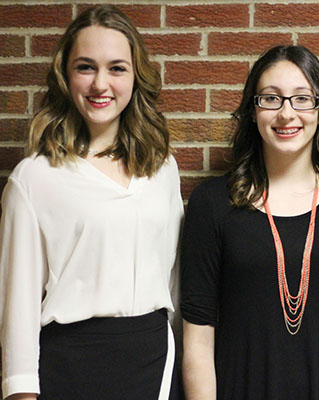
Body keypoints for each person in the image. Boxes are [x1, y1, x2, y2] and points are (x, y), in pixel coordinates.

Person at [180, 45, 319, 400]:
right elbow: (198, 338)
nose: (287, 114)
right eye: (271, 99)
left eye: (302, 99)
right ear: (252, 111)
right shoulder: (212, 203)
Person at [0, 5, 183, 400]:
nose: (101, 84)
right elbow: (18, 311)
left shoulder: (162, 168)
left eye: (117, 68)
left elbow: (174, 280)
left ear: (136, 77)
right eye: (86, 67)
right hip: (69, 367)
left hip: (154, 364)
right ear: (66, 77)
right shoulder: (34, 178)